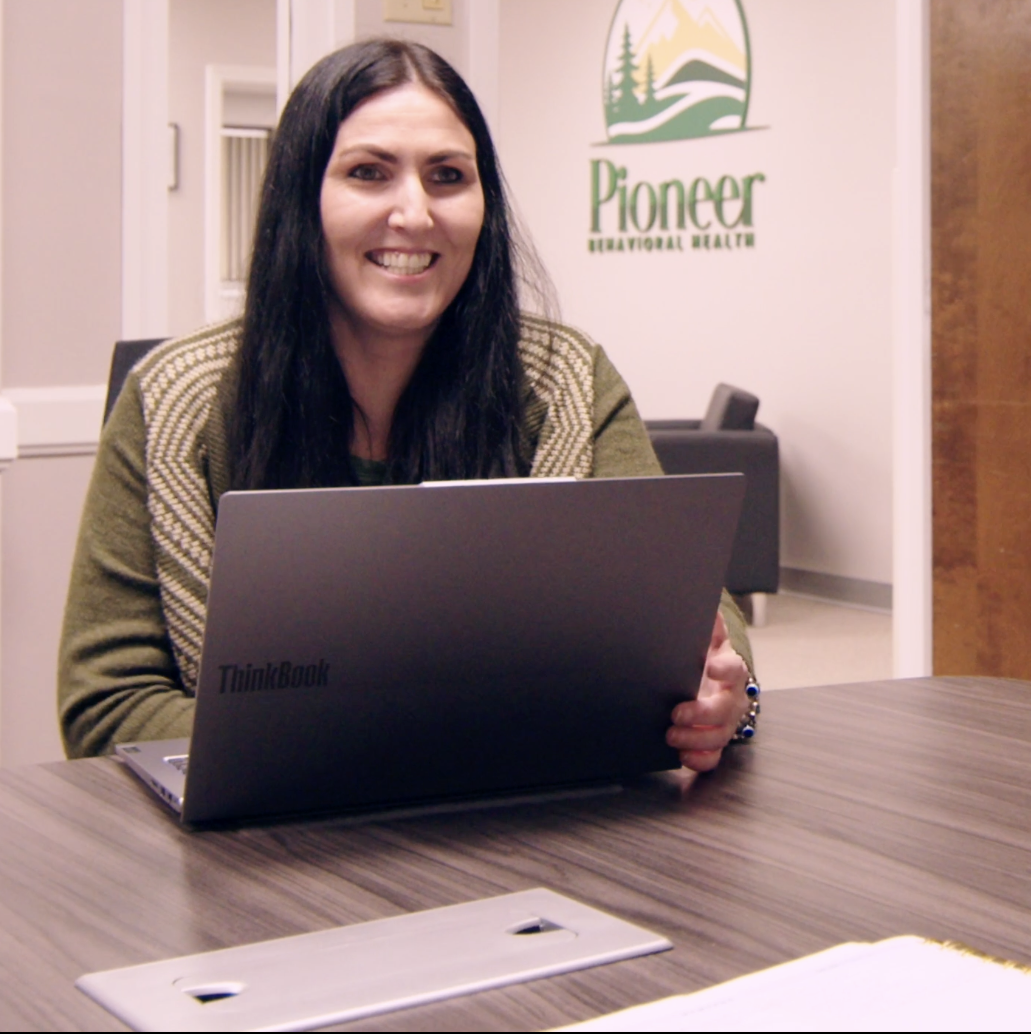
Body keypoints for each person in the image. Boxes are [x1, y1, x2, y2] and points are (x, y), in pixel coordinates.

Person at [58, 37, 756, 770]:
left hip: (524, 827)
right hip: (258, 856)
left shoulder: (567, 382)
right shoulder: (174, 401)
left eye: (449, 176)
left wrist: (723, 690)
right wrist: (383, 741)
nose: (415, 214)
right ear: (302, 200)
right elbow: (107, 705)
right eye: (368, 173)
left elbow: (700, 619)